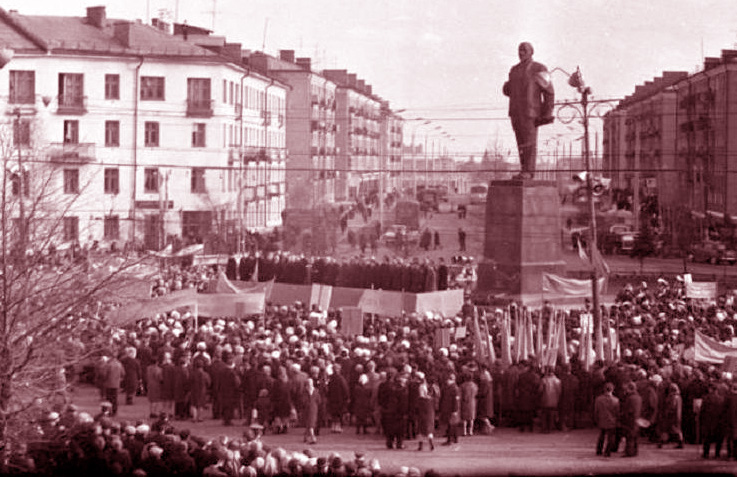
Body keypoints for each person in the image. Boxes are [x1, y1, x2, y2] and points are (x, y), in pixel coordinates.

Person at [502, 41, 555, 179]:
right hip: (515, 111)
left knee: (529, 142)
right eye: (519, 50)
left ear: (532, 52)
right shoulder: (514, 70)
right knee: (520, 142)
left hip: (531, 112)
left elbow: (549, 91)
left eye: (524, 50)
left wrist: (547, 113)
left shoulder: (539, 68)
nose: (521, 53)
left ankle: (529, 171)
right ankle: (523, 170)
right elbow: (509, 90)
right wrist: (506, 87)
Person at [594, 382, 620, 457]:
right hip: (611, 420)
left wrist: (596, 419)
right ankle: (607, 451)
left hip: (602, 419)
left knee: (601, 435)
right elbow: (617, 412)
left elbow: (596, 410)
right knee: (610, 437)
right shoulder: (616, 400)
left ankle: (599, 450)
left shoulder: (598, 399)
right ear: (612, 390)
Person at [620, 381, 642, 457]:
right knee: (635, 436)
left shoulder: (630, 398)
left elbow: (628, 410)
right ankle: (635, 451)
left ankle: (629, 452)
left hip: (630, 419)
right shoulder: (639, 397)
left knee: (630, 437)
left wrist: (623, 416)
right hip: (637, 418)